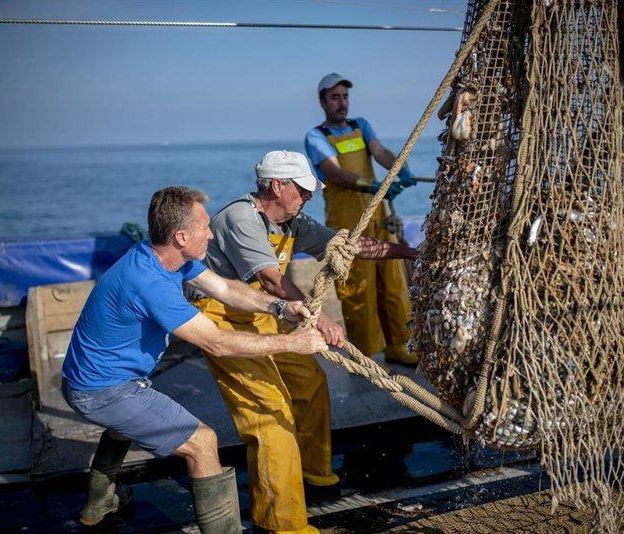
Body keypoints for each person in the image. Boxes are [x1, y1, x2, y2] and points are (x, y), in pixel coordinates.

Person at [61, 186, 327, 533]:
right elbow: (216, 343)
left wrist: (280, 306)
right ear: (182, 236)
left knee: (123, 425)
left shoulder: (164, 256)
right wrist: (292, 342)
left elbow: (226, 289)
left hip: (93, 381)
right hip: (103, 390)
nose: (212, 232)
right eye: (204, 226)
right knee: (202, 443)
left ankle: (99, 502)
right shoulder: (150, 283)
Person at [192, 150, 417, 534]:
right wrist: (323, 319)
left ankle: (316, 475)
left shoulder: (293, 220)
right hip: (221, 318)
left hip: (267, 313)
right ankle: (281, 523)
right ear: (276, 186)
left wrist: (408, 251)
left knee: (310, 383)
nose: (308, 197)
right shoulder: (241, 218)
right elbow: (271, 281)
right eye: (302, 189)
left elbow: (347, 247)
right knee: (269, 413)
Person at [304, 73, 419, 366]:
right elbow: (335, 173)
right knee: (357, 288)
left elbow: (379, 152)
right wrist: (373, 185)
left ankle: (399, 345)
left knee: (392, 283)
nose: (341, 103)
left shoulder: (361, 125)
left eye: (344, 96)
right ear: (322, 102)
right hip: (346, 222)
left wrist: (399, 168)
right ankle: (364, 354)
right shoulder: (316, 137)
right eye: (334, 97)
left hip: (377, 214)